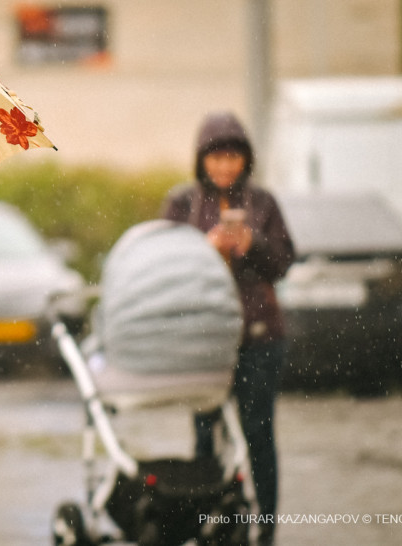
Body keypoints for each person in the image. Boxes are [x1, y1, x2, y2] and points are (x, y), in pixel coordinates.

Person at [161, 112, 294, 545]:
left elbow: (284, 263)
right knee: (204, 433)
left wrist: (251, 243)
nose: (224, 167)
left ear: (245, 159)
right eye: (216, 158)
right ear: (202, 161)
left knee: (258, 432)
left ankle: (266, 527)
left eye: (232, 157)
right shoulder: (182, 204)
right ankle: (206, 521)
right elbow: (165, 264)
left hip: (259, 338)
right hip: (204, 338)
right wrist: (205, 248)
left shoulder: (264, 203)